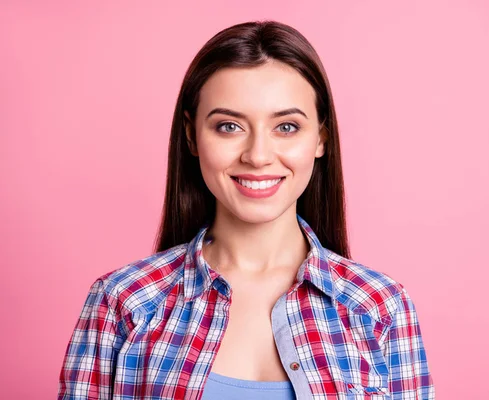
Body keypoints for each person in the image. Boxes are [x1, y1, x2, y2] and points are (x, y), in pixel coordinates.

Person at [58, 20, 435, 400]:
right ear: (192, 136)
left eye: (286, 127)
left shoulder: (379, 307)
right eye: (229, 126)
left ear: (321, 138)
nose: (257, 156)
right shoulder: (124, 302)